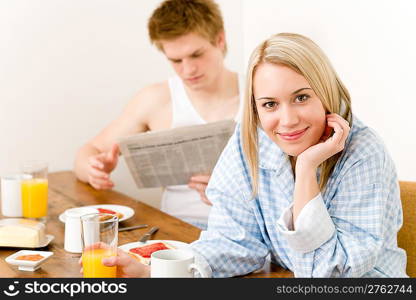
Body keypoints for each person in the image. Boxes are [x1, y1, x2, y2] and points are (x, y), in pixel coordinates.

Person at [93, 33, 407, 278]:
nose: (287, 120)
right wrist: (156, 273)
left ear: (325, 91)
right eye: (270, 104)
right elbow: (233, 242)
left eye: (301, 97)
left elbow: (327, 275)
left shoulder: (364, 155)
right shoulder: (253, 142)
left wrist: (307, 169)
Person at [74, 0, 243, 229]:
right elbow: (88, 152)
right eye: (175, 60)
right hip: (175, 231)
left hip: (244, 230)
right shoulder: (156, 99)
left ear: (220, 40)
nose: (188, 69)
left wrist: (233, 190)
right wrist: (93, 169)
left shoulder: (261, 96)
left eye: (196, 54)